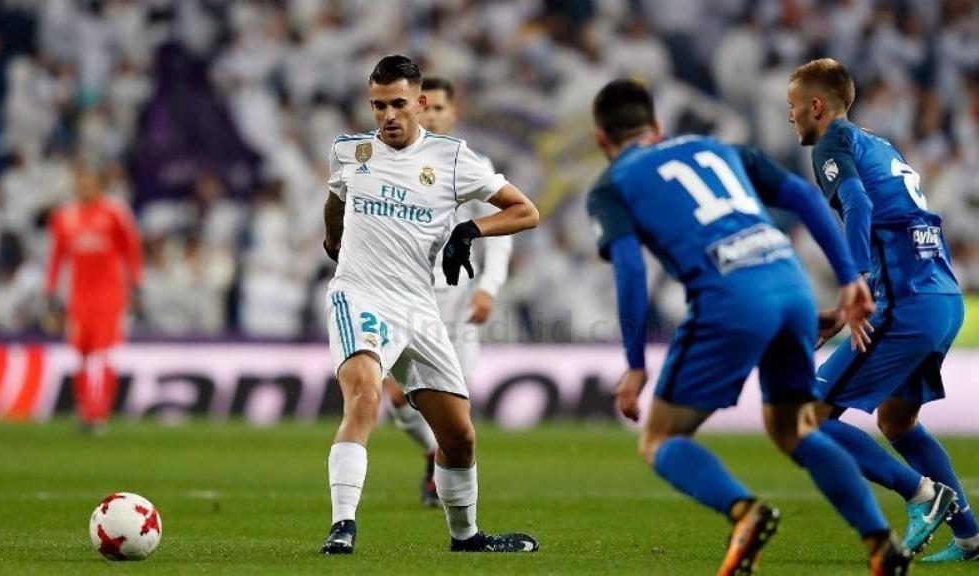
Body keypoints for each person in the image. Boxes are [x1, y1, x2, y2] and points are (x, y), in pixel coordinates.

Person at [587, 78, 910, 575]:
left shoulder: (611, 185)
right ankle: (878, 539)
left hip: (728, 300)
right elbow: (803, 197)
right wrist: (849, 277)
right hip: (792, 288)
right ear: (656, 125)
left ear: (601, 141)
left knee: (660, 439)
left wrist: (634, 365)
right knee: (796, 429)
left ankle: (745, 512)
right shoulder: (718, 147)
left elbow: (630, 269)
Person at [319, 55, 539, 555]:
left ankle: (466, 537)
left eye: (398, 104)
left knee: (459, 437)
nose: (388, 116)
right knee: (366, 396)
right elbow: (335, 197)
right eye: (378, 106)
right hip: (360, 293)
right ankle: (342, 524)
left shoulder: (454, 158)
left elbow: (526, 211)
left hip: (421, 307)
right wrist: (333, 237)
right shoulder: (350, 152)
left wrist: (470, 228)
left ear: (419, 103)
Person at [788, 58, 975, 562]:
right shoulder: (877, 142)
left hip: (906, 301)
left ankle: (922, 494)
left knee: (806, 416)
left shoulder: (831, 143)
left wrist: (855, 284)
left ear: (816, 106)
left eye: (793, 108)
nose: (790, 118)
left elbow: (858, 204)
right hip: (941, 295)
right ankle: (971, 536)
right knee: (897, 422)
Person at [380, 76, 513, 507]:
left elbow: (502, 230)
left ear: (454, 113)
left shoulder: (470, 161)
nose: (433, 115)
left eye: (441, 108)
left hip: (456, 302)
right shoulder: (392, 160)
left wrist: (489, 288)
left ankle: (446, 477)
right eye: (427, 107)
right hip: (406, 297)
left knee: (452, 403)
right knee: (398, 397)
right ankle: (432, 454)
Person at [46, 165, 142, 434]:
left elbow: (131, 250)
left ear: (99, 185)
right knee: (81, 355)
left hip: (109, 295)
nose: (83, 188)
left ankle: (97, 413)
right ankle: (84, 408)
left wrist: (136, 286)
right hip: (78, 297)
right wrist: (51, 293)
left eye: (88, 182)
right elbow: (56, 258)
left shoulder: (115, 212)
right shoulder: (64, 216)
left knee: (102, 354)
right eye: (79, 182)